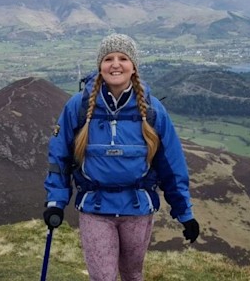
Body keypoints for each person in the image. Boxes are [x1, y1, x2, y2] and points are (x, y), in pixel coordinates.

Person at [43, 33, 199, 281]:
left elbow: (171, 165)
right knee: (103, 278)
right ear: (100, 66)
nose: (115, 64)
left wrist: (184, 213)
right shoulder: (78, 107)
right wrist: (55, 202)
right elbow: (59, 158)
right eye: (108, 58)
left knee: (132, 275)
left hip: (137, 210)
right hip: (95, 209)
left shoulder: (153, 110)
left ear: (133, 66)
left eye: (123, 58)